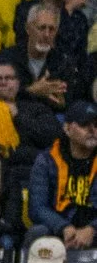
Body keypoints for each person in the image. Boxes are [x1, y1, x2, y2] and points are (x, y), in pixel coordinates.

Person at [31, 101, 97, 248]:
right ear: (67, 128)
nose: (92, 130)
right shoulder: (46, 160)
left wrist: (92, 229)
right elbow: (37, 208)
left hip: (93, 227)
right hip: (59, 228)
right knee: (37, 233)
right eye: (84, 125)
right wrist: (63, 227)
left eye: (96, 125)